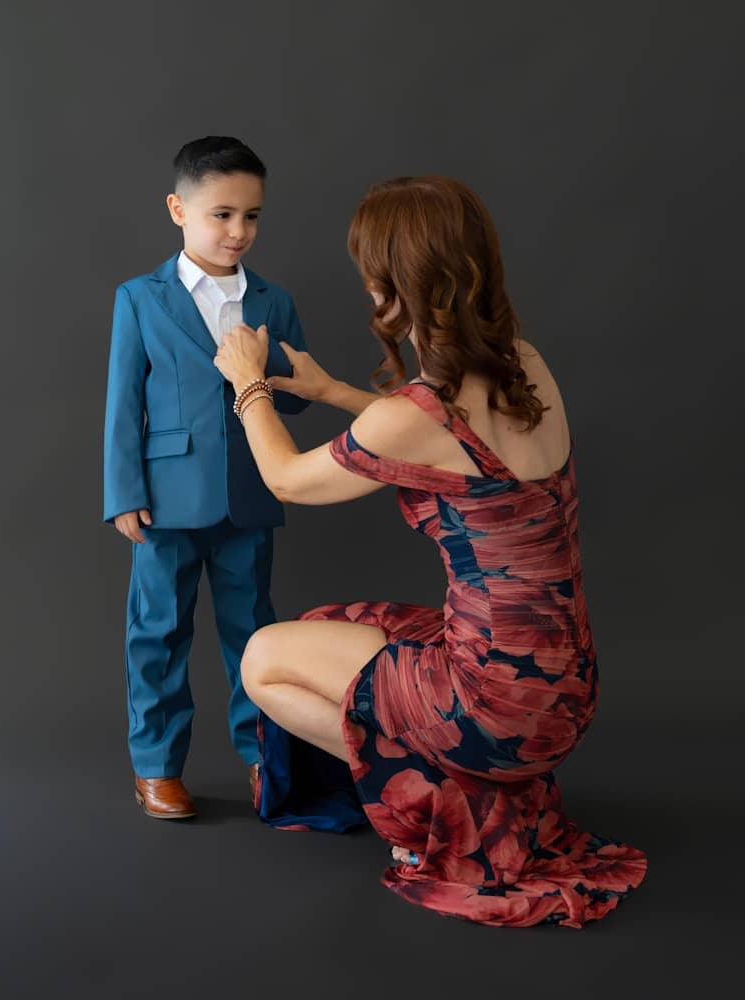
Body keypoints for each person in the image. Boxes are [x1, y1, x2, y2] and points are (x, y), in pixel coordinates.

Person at [212, 175, 647, 927]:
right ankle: (477, 781)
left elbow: (287, 479)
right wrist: (334, 391)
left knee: (262, 662)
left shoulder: (420, 413)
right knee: (328, 624)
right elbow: (439, 441)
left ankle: (448, 800)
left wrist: (249, 384)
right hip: (566, 686)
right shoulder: (524, 363)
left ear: (391, 288)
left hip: (495, 705)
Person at [103, 136, 309, 819]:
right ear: (178, 210)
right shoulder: (140, 298)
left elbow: (297, 397)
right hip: (165, 500)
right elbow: (123, 404)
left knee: (254, 634)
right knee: (158, 634)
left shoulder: (273, 300)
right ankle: (157, 767)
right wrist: (124, 494)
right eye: (222, 214)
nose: (238, 231)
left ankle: (263, 759)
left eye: (251, 216)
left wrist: (271, 369)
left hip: (251, 490)